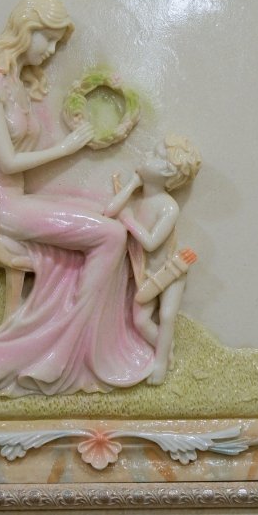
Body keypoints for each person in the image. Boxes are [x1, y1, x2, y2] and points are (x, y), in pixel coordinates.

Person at [0, 0, 155, 398]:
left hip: (16, 201)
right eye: (48, 39)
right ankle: (63, 349)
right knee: (111, 235)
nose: (52, 50)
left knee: (107, 217)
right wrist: (68, 148)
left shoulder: (15, 83)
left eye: (57, 42)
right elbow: (7, 161)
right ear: (27, 30)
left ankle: (75, 344)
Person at [104, 135, 201, 385]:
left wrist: (128, 219)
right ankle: (166, 350)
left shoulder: (168, 207)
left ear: (167, 172)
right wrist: (131, 186)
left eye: (156, 156)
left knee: (167, 316)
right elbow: (109, 211)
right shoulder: (138, 199)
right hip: (145, 275)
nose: (147, 155)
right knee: (139, 321)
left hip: (170, 272)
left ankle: (160, 365)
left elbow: (150, 242)